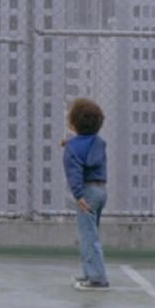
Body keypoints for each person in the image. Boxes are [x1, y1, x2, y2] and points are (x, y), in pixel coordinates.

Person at [63, 98, 110, 291]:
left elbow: (73, 173)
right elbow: (86, 146)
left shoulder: (72, 148)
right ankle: (89, 273)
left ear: (73, 124)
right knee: (91, 233)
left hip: (86, 193)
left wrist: (78, 195)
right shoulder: (98, 143)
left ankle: (97, 278)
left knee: (87, 236)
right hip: (101, 191)